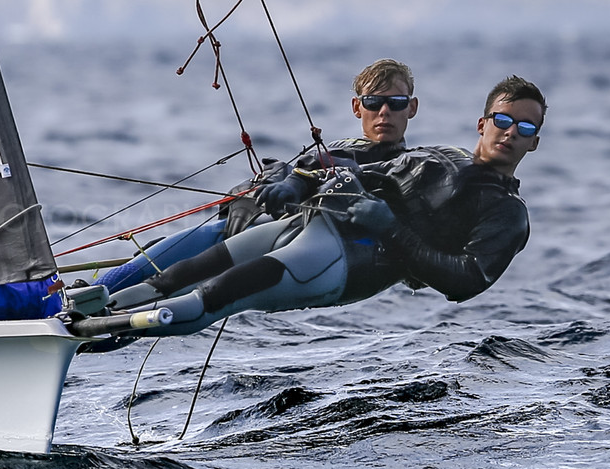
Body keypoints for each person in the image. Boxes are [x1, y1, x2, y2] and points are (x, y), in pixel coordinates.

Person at [105, 76, 544, 337]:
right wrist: (296, 179)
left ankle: (90, 334)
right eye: (503, 121)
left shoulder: (507, 213)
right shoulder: (438, 156)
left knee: (220, 293)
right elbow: (357, 168)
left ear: (534, 142)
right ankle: (88, 314)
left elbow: (466, 282)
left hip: (345, 264)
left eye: (524, 128)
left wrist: (392, 229)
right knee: (177, 275)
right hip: (313, 224)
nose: (510, 133)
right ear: (483, 123)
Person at [95, 58, 422, 296]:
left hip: (279, 254)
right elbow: (303, 166)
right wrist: (284, 184)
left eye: (395, 102)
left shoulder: (417, 167)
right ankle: (71, 303)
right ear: (356, 107)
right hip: (232, 230)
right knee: (147, 263)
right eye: (373, 102)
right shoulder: (331, 149)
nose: (384, 112)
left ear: (412, 107)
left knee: (166, 291)